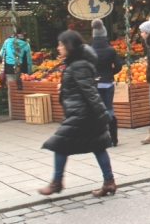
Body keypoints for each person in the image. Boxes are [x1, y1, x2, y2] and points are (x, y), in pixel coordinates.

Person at [39, 30, 115, 197]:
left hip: (82, 114)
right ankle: (109, 182)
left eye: (61, 44)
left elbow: (90, 92)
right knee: (98, 146)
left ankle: (56, 183)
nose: (58, 47)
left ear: (69, 45)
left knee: (59, 143)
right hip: (82, 112)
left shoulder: (79, 65)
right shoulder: (75, 63)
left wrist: (104, 117)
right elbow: (82, 88)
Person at [90, 19, 122, 147]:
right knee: (109, 109)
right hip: (108, 83)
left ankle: (100, 137)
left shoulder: (90, 50)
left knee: (98, 110)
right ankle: (114, 138)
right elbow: (119, 66)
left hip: (96, 83)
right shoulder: (111, 50)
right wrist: (110, 73)